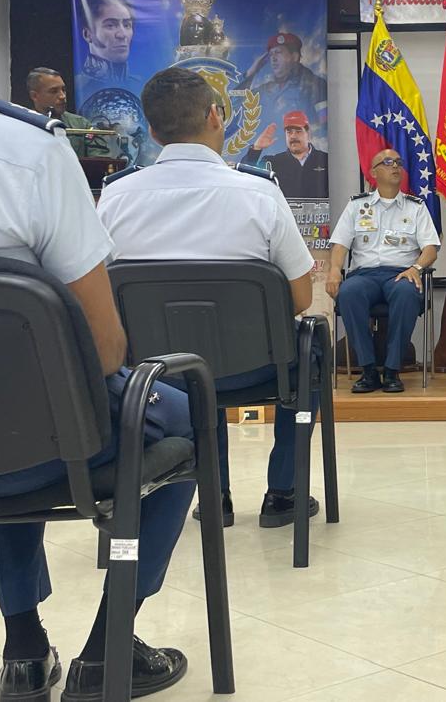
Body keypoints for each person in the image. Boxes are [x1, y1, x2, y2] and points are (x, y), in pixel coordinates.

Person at [0, 0, 190, 702]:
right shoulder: (25, 152)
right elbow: (104, 345)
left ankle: (24, 643)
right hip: (26, 436)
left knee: (5, 406)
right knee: (172, 417)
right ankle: (105, 648)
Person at [97, 67, 320, 529]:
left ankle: (213, 495)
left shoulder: (114, 199)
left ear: (153, 130)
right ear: (217, 117)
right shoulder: (261, 193)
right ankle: (284, 494)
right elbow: (299, 297)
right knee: (309, 346)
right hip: (256, 367)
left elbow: (102, 297)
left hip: (159, 375)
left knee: (193, 363)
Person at [326, 149, 440, 394]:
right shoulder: (357, 205)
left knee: (407, 293)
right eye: (387, 162)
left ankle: (392, 370)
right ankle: (367, 370)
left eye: (398, 162)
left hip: (400, 273)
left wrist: (417, 267)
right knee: (348, 292)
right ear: (373, 172)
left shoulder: (415, 207)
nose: (395, 166)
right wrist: (335, 270)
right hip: (364, 276)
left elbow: (431, 248)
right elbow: (340, 244)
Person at [243, 32, 326, 152]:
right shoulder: (266, 89)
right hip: (264, 158)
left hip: (299, 160)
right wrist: (250, 73)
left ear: (294, 57)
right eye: (271, 54)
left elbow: (324, 128)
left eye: (278, 52)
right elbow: (235, 103)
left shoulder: (315, 85)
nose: (273, 58)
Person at [241, 110, 329, 198]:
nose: (293, 136)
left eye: (298, 131)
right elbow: (244, 180)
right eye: (289, 132)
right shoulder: (272, 163)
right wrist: (256, 148)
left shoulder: (326, 160)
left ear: (308, 134)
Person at [26, 67, 110, 158]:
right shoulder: (24, 126)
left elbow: (101, 161)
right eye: (54, 91)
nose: (62, 96)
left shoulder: (81, 124)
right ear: (34, 96)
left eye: (63, 90)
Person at [76, 0, 136, 96]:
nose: (122, 35)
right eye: (111, 25)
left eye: (127, 25)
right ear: (87, 34)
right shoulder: (78, 86)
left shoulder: (141, 84)